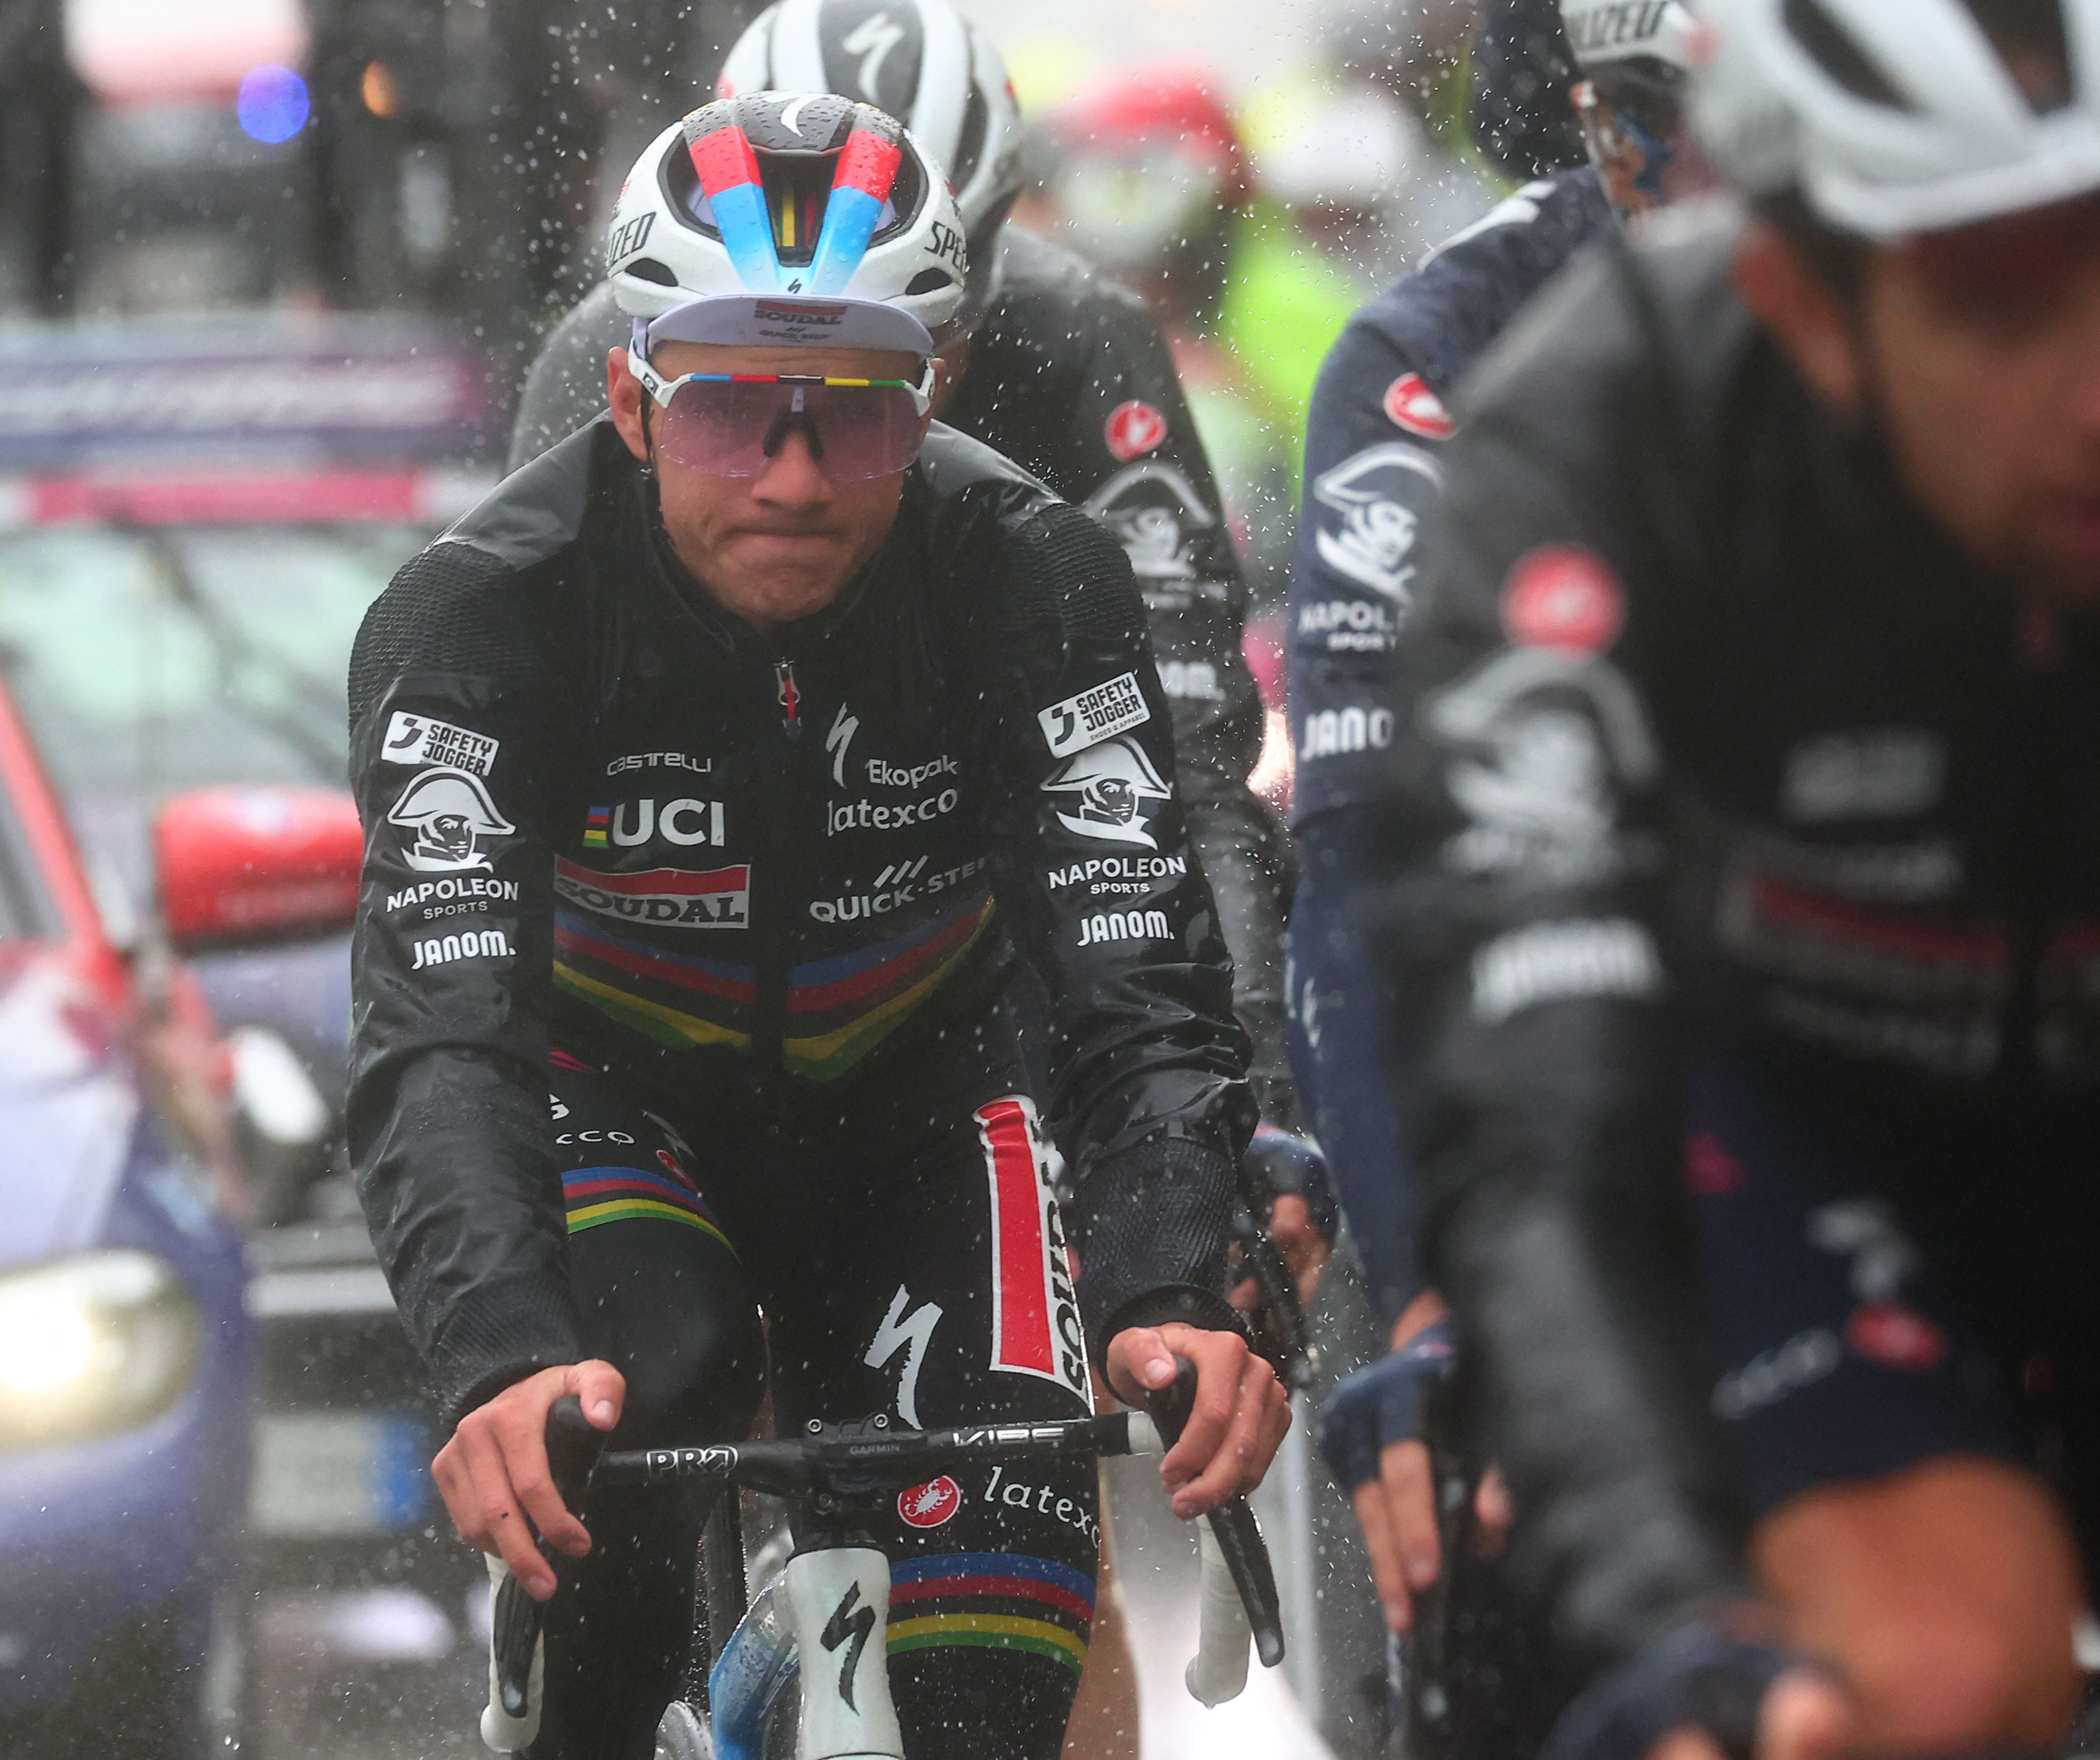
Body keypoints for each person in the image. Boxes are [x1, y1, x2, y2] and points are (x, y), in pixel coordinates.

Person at [348, 94, 1290, 1760]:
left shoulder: (1036, 578)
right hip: (613, 1098)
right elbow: (444, 1031)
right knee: (641, 1390)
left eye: (850, 412)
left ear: (932, 397)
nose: (789, 473)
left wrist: (1177, 1279)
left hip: (933, 1094)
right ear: (633, 398)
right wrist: (494, 1349)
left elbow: (1135, 979)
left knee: (999, 1631)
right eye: (730, 409)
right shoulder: (479, 618)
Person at [1360, 0, 2100, 1754]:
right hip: (1814, 1134)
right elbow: (1536, 1120)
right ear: (1803, 304)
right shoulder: (1606, 442)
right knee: (1927, 1691)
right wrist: (1677, 1617)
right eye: (1998, 292)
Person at [505, 6, 1323, 1306]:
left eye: (943, 287)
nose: (825, 390)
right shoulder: (594, 357)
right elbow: (523, 763)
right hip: (683, 953)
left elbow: (1187, 769)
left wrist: (1251, 1105)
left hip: (970, 920)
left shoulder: (1082, 333)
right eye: (735, 380)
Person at [1291, 0, 1704, 1657]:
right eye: (1650, 136)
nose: (1722, 197)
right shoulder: (1437, 359)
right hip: (1583, 1029)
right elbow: (1371, 874)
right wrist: (1431, 1296)